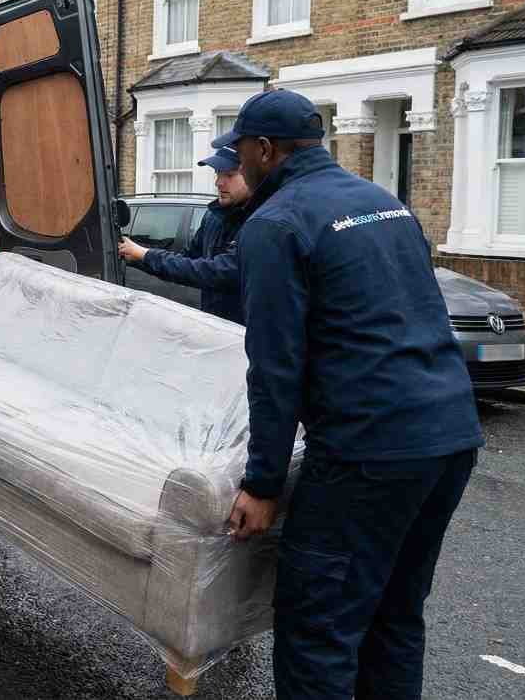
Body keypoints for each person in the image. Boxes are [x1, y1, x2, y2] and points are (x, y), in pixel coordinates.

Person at [217, 90, 483, 700]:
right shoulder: (384, 203)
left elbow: (276, 367)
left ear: (265, 150)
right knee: (394, 615)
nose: (239, 164)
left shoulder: (276, 223)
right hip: (450, 436)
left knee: (319, 629)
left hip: (368, 452)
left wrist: (261, 484)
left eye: (241, 152)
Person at [116, 143, 252, 324]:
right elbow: (186, 260)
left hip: (242, 334)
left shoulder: (258, 222)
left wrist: (145, 254)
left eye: (229, 174)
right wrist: (139, 257)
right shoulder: (213, 216)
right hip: (213, 324)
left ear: (251, 173)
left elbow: (215, 272)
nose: (218, 182)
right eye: (218, 173)